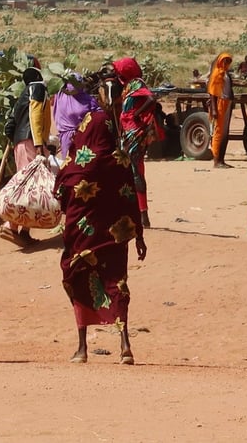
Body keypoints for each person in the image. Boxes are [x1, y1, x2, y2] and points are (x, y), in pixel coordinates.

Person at [53, 84, 147, 364]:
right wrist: (139, 236)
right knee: (116, 282)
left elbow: (60, 193)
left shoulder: (75, 164)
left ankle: (82, 348)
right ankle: (124, 343)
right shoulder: (120, 161)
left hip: (81, 238)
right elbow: (133, 200)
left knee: (78, 278)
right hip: (114, 238)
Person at [0, 67, 51, 247]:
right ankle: (12, 226)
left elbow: (11, 123)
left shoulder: (23, 93)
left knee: (27, 185)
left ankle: (24, 230)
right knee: (31, 186)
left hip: (20, 142)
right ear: (38, 77)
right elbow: (35, 114)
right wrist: (39, 144)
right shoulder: (38, 88)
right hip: (31, 141)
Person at [113, 57, 160, 228]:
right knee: (131, 170)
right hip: (129, 132)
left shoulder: (137, 83)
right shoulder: (128, 86)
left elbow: (151, 99)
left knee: (135, 171)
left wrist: (135, 114)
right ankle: (137, 213)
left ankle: (143, 215)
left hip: (135, 132)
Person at [208, 52, 234, 169]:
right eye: (225, 61)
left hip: (226, 103)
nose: (226, 63)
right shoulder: (217, 74)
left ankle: (221, 160)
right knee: (218, 133)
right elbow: (212, 94)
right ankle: (216, 160)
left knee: (224, 132)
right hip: (219, 104)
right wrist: (214, 109)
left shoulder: (225, 74)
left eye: (228, 61)